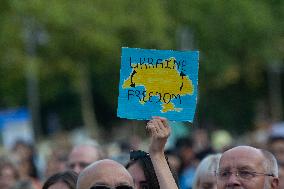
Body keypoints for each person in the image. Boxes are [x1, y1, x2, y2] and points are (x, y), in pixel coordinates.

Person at [126, 117, 179, 189]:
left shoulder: (168, 143)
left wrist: (157, 154)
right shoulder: (142, 144)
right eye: (129, 185)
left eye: (145, 187)